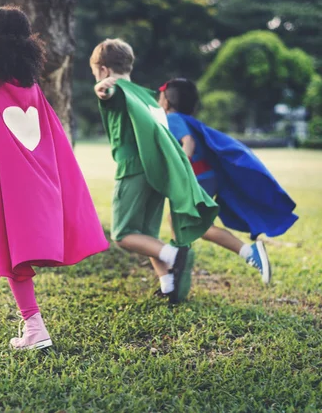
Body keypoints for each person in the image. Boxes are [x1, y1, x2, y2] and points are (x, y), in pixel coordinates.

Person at [0, 6, 109, 350]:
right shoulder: (31, 86)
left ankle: (34, 327)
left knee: (8, 246)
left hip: (11, 186)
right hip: (40, 182)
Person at [91, 39, 218, 303]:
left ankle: (175, 255)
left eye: (96, 73)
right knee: (146, 235)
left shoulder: (117, 90)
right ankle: (168, 285)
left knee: (124, 235)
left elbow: (108, 94)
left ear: (103, 69)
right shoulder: (149, 96)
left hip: (133, 170)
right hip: (156, 171)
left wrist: (102, 89)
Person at [159, 78, 298, 284]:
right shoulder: (187, 119)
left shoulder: (172, 118)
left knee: (201, 227)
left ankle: (250, 253)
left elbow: (189, 142)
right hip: (207, 177)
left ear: (167, 102)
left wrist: (182, 169)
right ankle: (178, 266)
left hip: (196, 177)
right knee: (177, 220)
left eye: (160, 96)